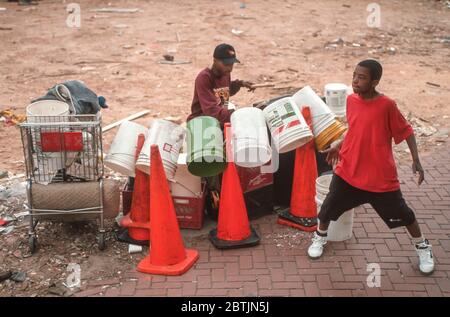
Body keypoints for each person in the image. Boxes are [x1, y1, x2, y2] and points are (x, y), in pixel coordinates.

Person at [307, 59, 434, 275]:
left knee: (404, 214)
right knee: (328, 206)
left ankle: (423, 246)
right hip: (349, 170)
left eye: (362, 77)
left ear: (374, 81)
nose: (355, 80)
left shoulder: (387, 105)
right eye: (355, 75)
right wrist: (339, 144)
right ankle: (320, 237)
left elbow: (407, 131)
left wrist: (416, 160)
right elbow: (355, 129)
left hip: (379, 177)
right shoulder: (351, 100)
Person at [187, 43, 255, 125]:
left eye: (231, 64)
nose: (229, 68)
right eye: (226, 64)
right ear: (215, 61)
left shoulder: (225, 73)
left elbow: (225, 90)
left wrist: (240, 83)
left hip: (219, 121)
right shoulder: (204, 78)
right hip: (202, 123)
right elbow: (211, 110)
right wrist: (235, 115)